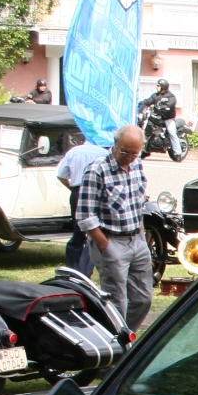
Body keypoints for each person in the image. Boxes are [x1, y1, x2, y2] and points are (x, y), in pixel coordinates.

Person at [76, 126, 153, 331]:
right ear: (115, 144)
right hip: (111, 240)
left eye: (134, 153)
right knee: (117, 301)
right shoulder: (96, 170)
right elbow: (85, 215)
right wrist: (104, 244)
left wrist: (142, 235)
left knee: (143, 298)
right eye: (124, 152)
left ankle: (125, 338)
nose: (129, 157)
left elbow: (138, 202)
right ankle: (114, 347)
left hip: (137, 238)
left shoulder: (137, 165)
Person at [57, 136, 109, 276]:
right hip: (96, 192)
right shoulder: (103, 154)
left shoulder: (74, 151)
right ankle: (85, 270)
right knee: (94, 231)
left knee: (77, 232)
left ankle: (72, 269)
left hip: (77, 190)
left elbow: (61, 174)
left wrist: (73, 189)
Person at [136, 78, 181, 158]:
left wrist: (166, 106)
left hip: (167, 118)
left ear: (163, 86)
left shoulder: (170, 96)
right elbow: (148, 101)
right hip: (157, 116)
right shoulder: (156, 95)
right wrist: (140, 104)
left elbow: (171, 103)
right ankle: (145, 150)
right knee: (147, 132)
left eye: (158, 85)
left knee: (172, 133)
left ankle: (178, 153)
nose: (156, 87)